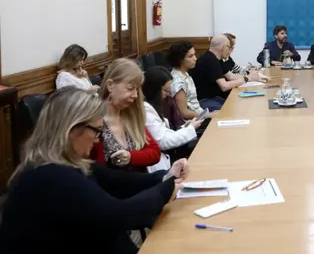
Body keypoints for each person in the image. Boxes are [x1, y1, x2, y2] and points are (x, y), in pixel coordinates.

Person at [0, 86, 189, 253]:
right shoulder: (51, 176)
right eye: (96, 131)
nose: (98, 139)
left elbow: (118, 182)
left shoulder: (67, 163)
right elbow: (118, 216)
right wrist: (165, 189)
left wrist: (166, 176)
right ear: (73, 130)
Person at [92, 59, 162, 171]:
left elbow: (155, 152)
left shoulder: (130, 116)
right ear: (110, 85)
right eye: (130, 88)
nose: (135, 95)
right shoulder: (94, 122)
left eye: (137, 90)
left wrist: (131, 157)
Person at [143, 66, 201, 171]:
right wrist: (190, 129)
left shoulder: (158, 104)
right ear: (154, 89)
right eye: (166, 90)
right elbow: (163, 141)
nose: (168, 93)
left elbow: (165, 132)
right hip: (158, 164)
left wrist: (185, 127)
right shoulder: (146, 110)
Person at [192, 35, 267, 110]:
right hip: (205, 100)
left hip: (214, 97)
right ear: (223, 47)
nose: (230, 50)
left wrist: (252, 77)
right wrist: (247, 78)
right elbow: (224, 86)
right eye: (228, 47)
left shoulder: (216, 59)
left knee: (239, 104)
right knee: (231, 110)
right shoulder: (210, 60)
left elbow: (231, 76)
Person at [166, 41, 205, 120]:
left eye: (194, 54)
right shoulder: (178, 81)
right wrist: (207, 115)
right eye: (190, 56)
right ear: (180, 60)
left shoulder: (185, 74)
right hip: (191, 121)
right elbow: (184, 113)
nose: (195, 58)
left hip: (198, 116)